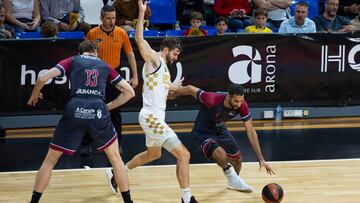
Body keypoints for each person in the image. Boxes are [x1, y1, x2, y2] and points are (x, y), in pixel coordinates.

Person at [106, 1, 198, 202]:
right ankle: (187, 198)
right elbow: (138, 39)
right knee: (184, 155)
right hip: (151, 117)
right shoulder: (155, 59)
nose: (176, 57)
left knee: (153, 154)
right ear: (166, 49)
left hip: (154, 115)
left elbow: (169, 93)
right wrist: (140, 12)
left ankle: (116, 173)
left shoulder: (164, 70)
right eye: (175, 53)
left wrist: (175, 87)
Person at [27, 40, 135, 203]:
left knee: (50, 160)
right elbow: (130, 92)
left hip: (74, 108)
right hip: (98, 109)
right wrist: (108, 107)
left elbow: (43, 78)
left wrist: (34, 94)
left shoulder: (72, 60)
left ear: (80, 52)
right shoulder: (105, 66)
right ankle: (128, 201)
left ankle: (33, 201)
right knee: (115, 158)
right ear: (96, 53)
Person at [175, 84, 275, 192]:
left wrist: (261, 159)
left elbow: (251, 132)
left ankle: (234, 182)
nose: (239, 104)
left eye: (241, 101)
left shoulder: (242, 105)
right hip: (201, 133)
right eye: (236, 101)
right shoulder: (211, 99)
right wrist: (173, 91)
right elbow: (190, 89)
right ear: (228, 96)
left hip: (220, 129)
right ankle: (232, 177)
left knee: (237, 159)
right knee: (221, 154)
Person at [85, 5, 138, 167]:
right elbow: (84, 56)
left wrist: (135, 75)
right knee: (90, 109)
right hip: (96, 74)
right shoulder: (92, 33)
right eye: (108, 18)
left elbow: (130, 54)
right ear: (101, 18)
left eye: (114, 18)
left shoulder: (121, 33)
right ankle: (87, 144)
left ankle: (117, 143)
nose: (112, 21)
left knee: (115, 112)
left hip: (114, 74)